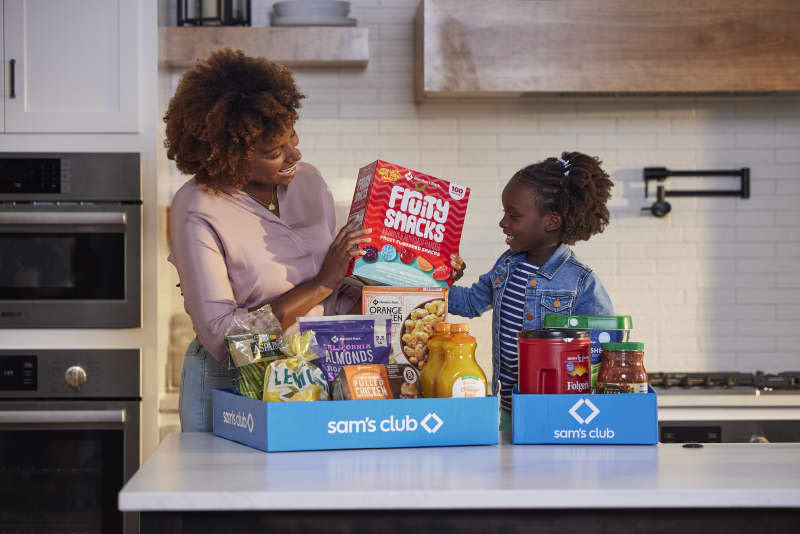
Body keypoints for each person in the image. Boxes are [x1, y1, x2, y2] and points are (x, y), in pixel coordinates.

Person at [165, 49, 370, 432]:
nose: (296, 153)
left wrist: (387, 284)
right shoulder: (197, 207)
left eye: (292, 134)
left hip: (317, 375)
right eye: (275, 152)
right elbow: (228, 344)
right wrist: (322, 283)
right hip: (234, 386)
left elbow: (335, 289)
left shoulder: (309, 181)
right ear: (228, 156)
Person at [447, 152, 614, 429]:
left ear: (551, 221)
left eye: (513, 215)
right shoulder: (507, 265)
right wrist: (437, 280)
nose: (503, 223)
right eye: (504, 213)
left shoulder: (580, 281)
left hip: (558, 414)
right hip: (508, 411)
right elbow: (468, 303)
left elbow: (604, 354)